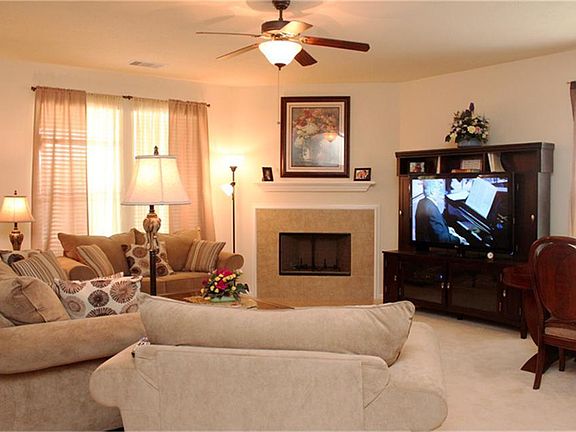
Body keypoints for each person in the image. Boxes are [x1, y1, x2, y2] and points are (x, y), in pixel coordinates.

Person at [415, 179, 468, 245]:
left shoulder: (422, 202)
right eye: (438, 188)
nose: (440, 191)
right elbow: (443, 239)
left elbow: (433, 227)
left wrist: (447, 229)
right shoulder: (432, 209)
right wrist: (459, 239)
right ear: (432, 191)